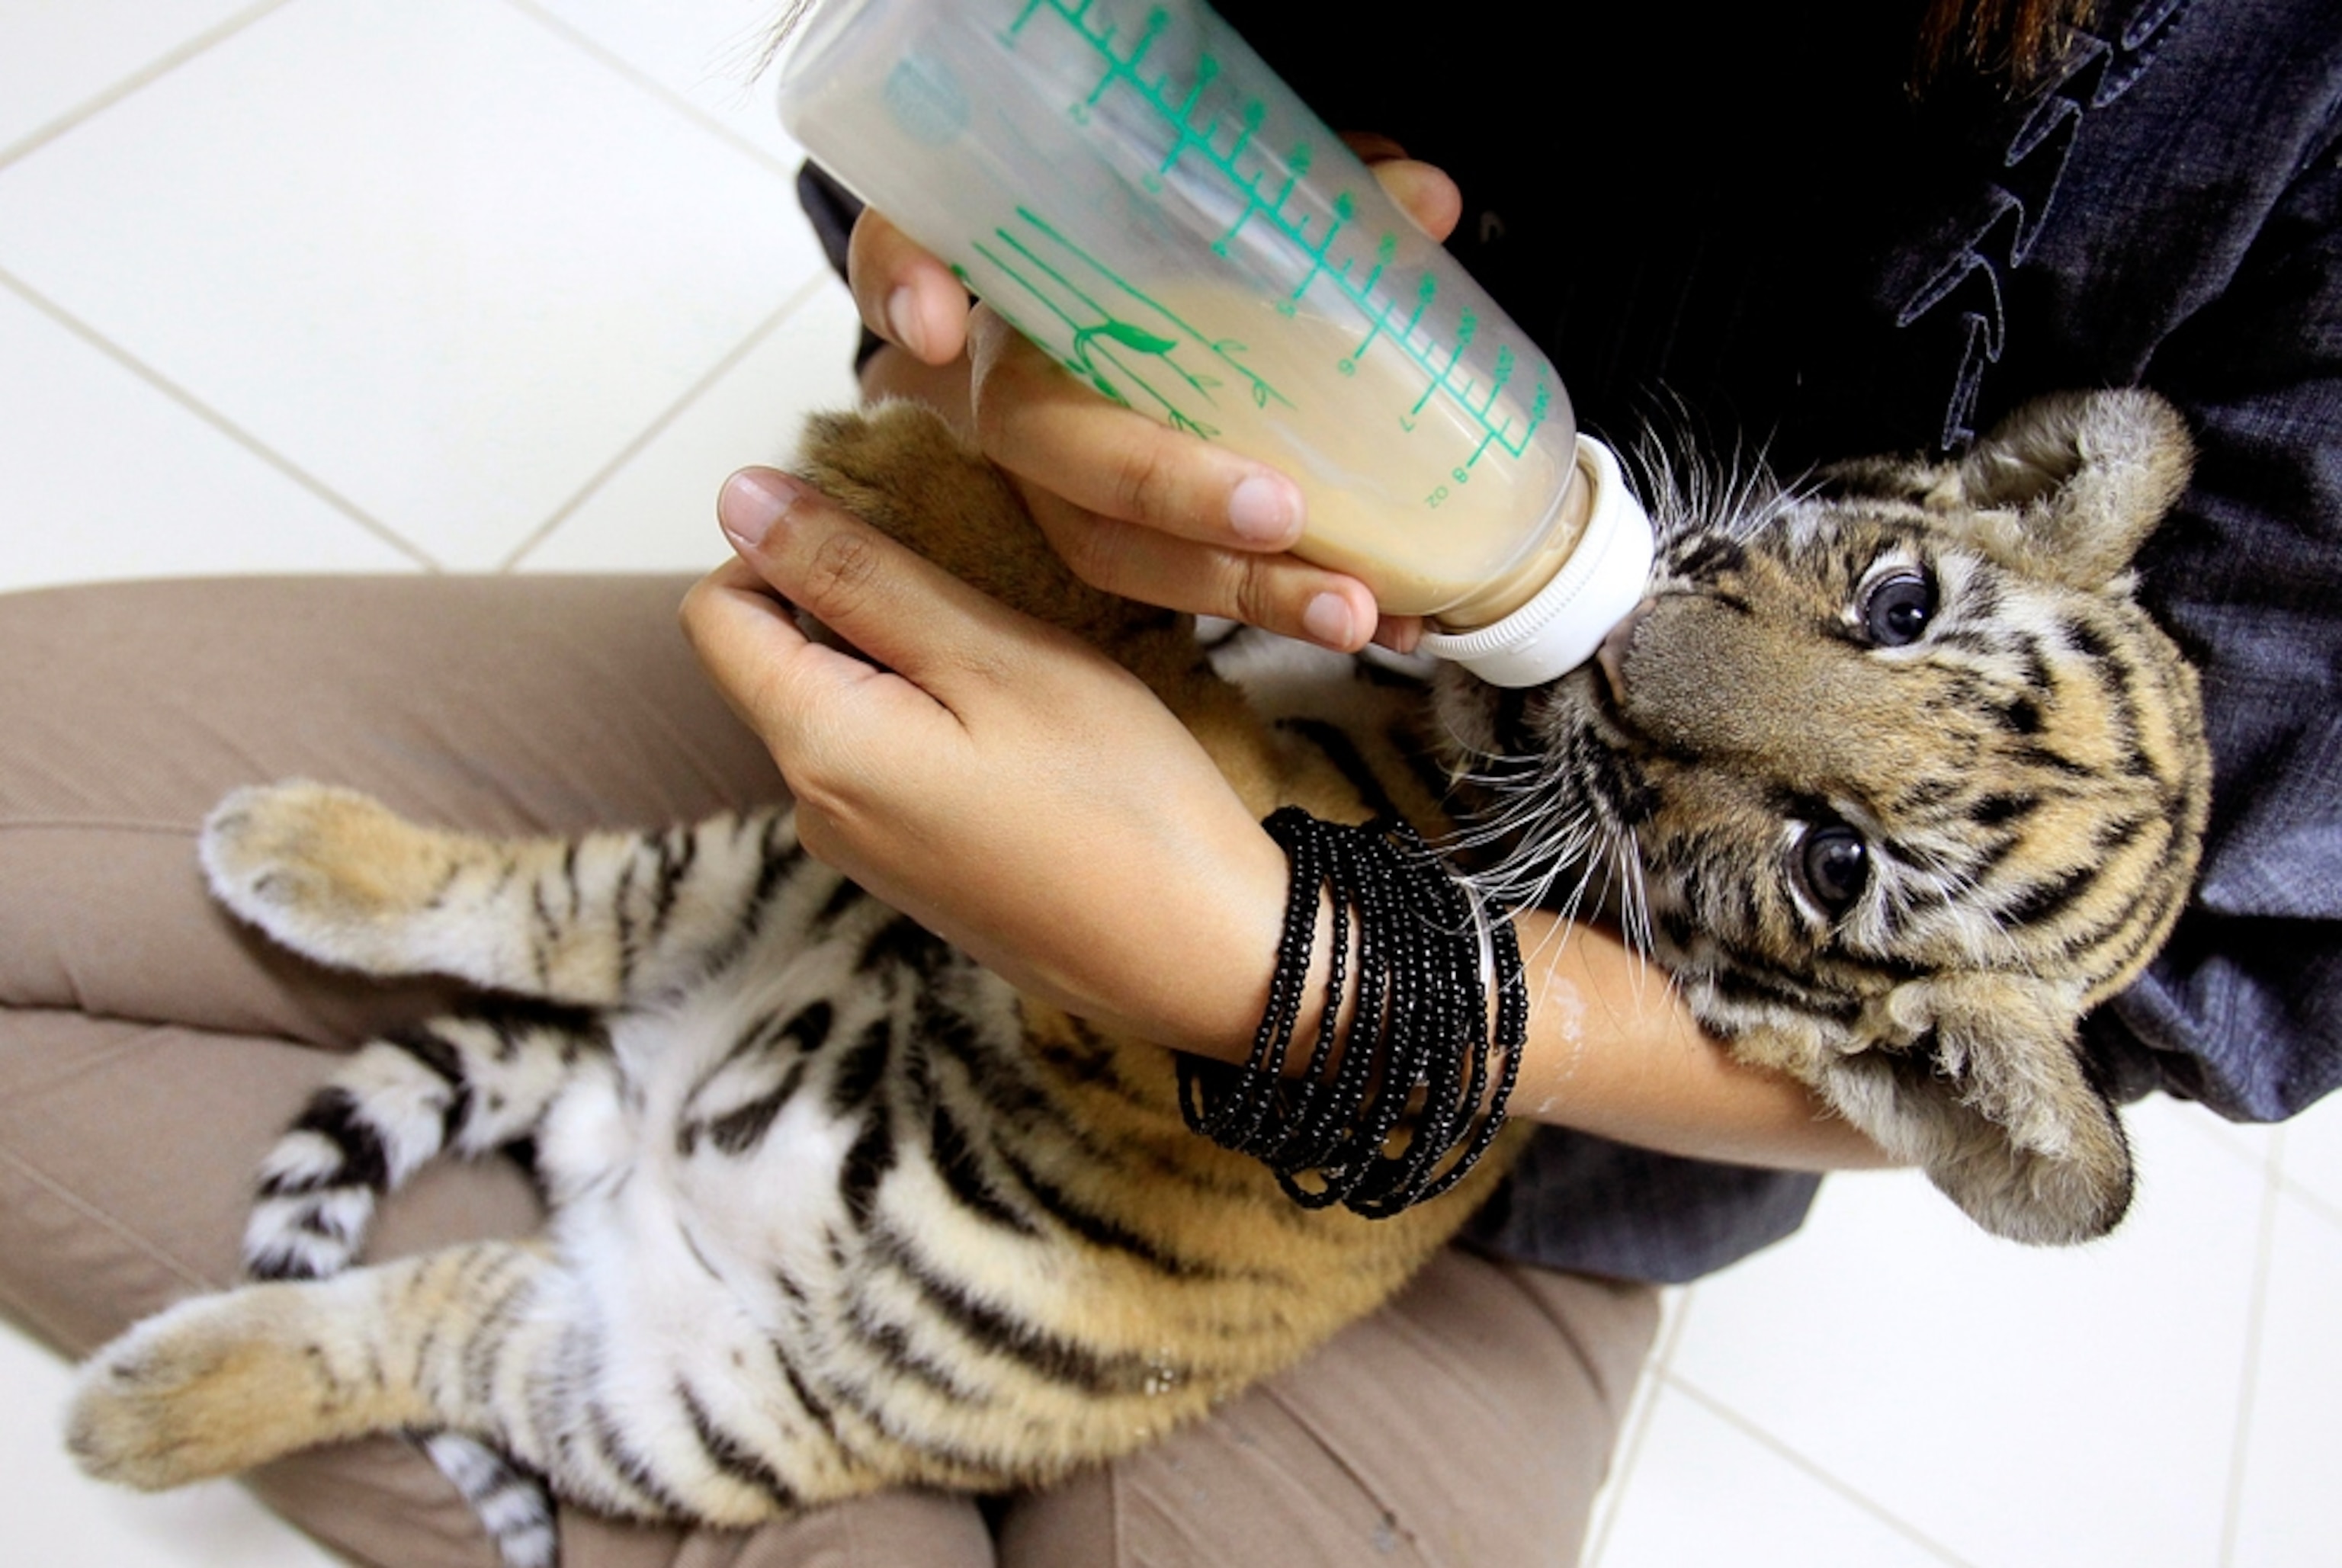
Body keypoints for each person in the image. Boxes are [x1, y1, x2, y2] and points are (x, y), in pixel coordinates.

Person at [1, 3, 2333, 1566]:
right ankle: (583, 1268)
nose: (1717, 663)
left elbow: (2147, 1016)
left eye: (1831, 833)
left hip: (1541, 1169)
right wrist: (1000, 287)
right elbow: (983, 97)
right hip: (981, 770)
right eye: (1897, 607)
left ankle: (608, 1339)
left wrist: (1341, 979)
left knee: (817, 1443)